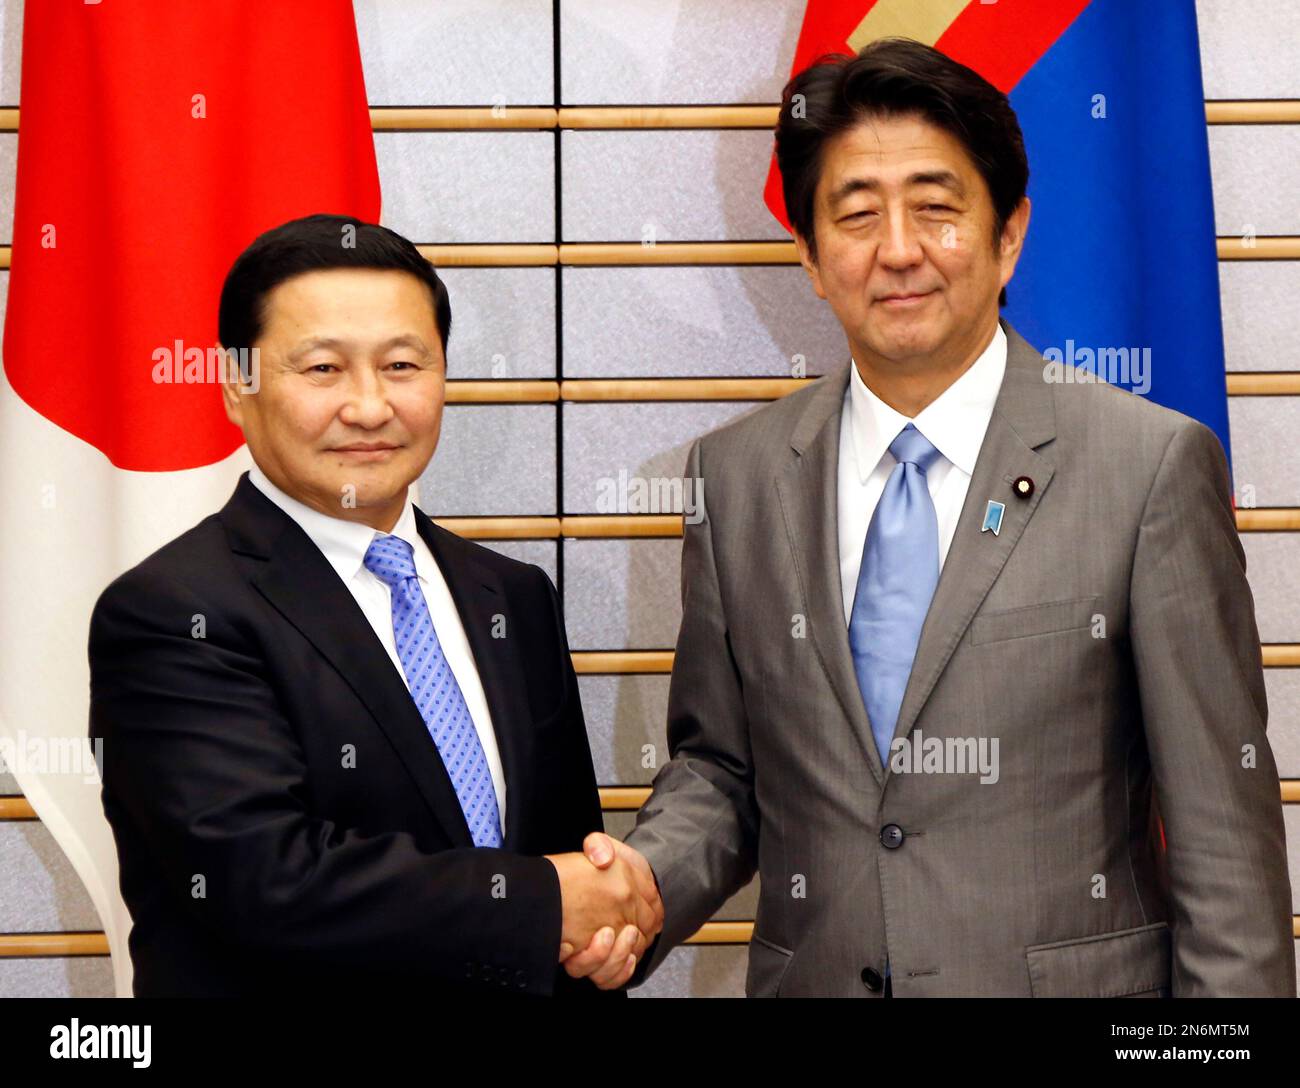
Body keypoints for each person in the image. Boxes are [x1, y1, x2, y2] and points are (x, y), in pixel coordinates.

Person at [564, 38, 1294, 997]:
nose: (898, 249)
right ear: (812, 257)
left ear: (1009, 235)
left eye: (937, 209)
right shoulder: (736, 478)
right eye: (856, 215)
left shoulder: (1147, 466)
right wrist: (645, 886)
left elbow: (1222, 843)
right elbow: (725, 770)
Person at [89, 214, 662, 997]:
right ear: (236, 387)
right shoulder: (171, 611)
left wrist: (601, 934)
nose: (368, 406)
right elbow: (264, 882)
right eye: (322, 369)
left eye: (401, 364)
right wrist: (541, 904)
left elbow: (570, 863)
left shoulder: (513, 596)